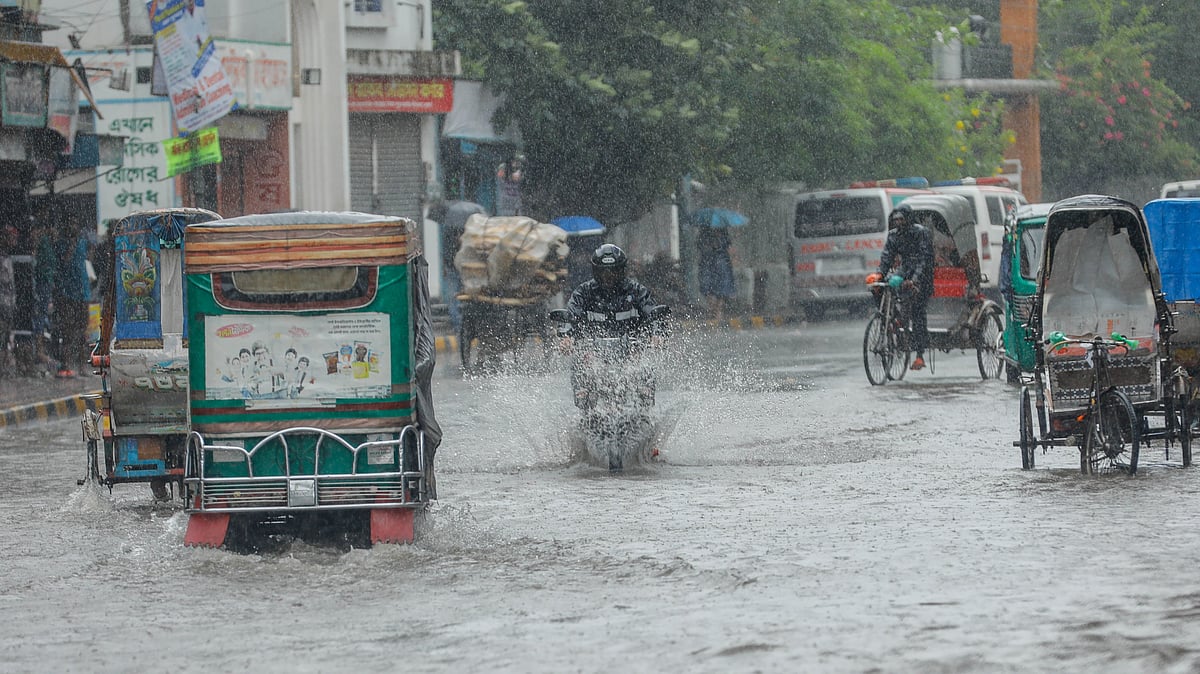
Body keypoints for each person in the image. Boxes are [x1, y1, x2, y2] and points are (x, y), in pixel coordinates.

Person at [559, 244, 666, 408]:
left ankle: (645, 396)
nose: (608, 276)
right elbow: (570, 315)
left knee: (644, 361)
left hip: (630, 348)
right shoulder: (584, 292)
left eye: (613, 271)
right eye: (603, 272)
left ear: (622, 270)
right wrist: (567, 336)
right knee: (580, 359)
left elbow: (653, 313)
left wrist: (656, 334)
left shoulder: (636, 290)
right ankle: (583, 394)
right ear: (596, 271)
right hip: (593, 349)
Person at [874, 204, 934, 371]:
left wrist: (915, 280)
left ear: (908, 219)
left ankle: (920, 355)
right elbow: (887, 257)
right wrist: (879, 273)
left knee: (917, 311)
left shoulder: (921, 233)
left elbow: (923, 259)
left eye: (901, 219)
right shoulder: (894, 235)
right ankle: (890, 318)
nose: (899, 222)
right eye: (896, 220)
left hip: (923, 274)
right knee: (879, 286)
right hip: (905, 269)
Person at [696, 225, 736, 321]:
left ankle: (717, 311)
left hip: (720, 264)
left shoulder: (723, 233)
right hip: (709, 263)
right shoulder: (704, 233)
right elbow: (700, 246)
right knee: (709, 287)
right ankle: (712, 310)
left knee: (721, 289)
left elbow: (728, 246)